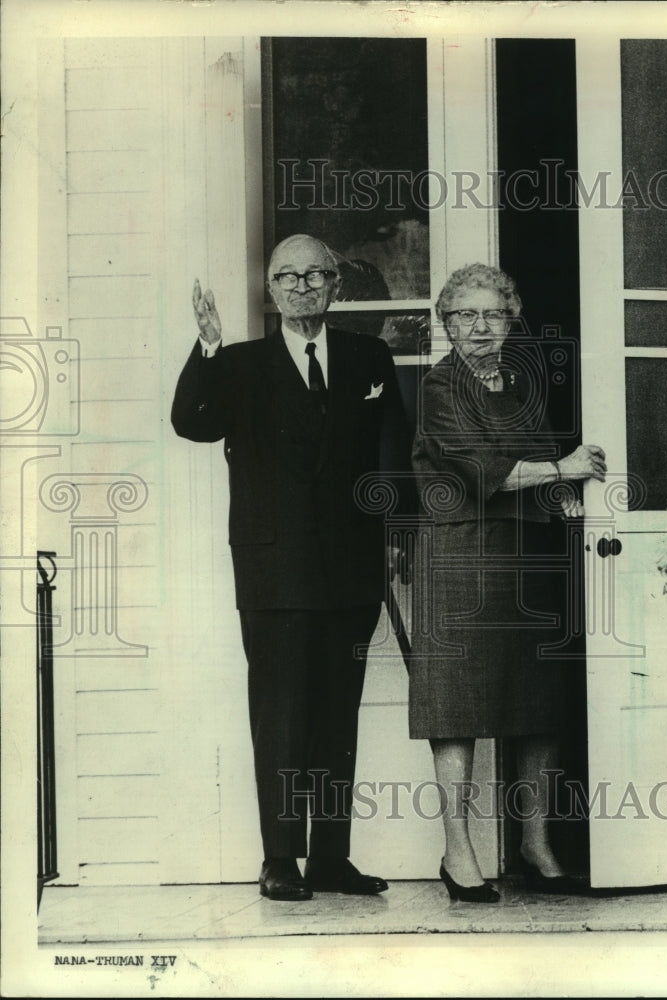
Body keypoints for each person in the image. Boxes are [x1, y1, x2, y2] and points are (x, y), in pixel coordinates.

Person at [171, 234, 413, 901]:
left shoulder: (370, 357)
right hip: (273, 569)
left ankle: (331, 860)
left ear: (336, 285)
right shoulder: (241, 365)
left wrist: (396, 534)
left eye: (315, 274)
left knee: (338, 715)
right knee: (279, 713)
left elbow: (393, 450)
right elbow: (191, 422)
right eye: (287, 275)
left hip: (352, 567)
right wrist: (209, 348)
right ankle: (279, 858)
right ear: (270, 289)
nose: (302, 285)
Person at [409, 263, 607, 902]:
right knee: (457, 708)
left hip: (527, 554)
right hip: (463, 556)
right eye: (464, 315)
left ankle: (534, 843)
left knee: (537, 704)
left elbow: (540, 456)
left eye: (492, 313)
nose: (479, 327)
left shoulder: (520, 381)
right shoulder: (439, 387)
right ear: (446, 324)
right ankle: (458, 853)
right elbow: (477, 468)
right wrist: (564, 467)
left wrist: (565, 497)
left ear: (510, 319)